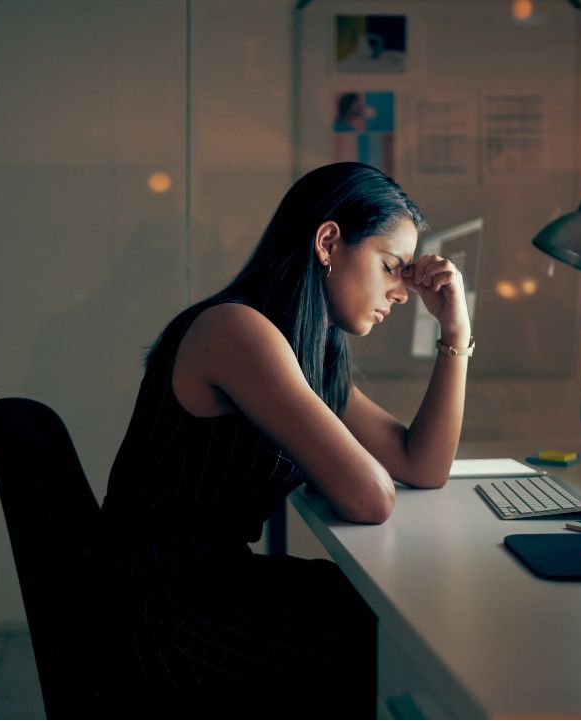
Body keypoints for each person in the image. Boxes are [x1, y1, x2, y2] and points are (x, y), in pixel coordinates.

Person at [95, 162, 471, 717]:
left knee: (378, 615)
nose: (400, 293)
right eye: (392, 267)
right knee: (385, 637)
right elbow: (372, 498)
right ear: (328, 242)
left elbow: (422, 465)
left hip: (205, 589)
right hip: (160, 616)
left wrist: (456, 334)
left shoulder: (307, 351)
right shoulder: (235, 331)